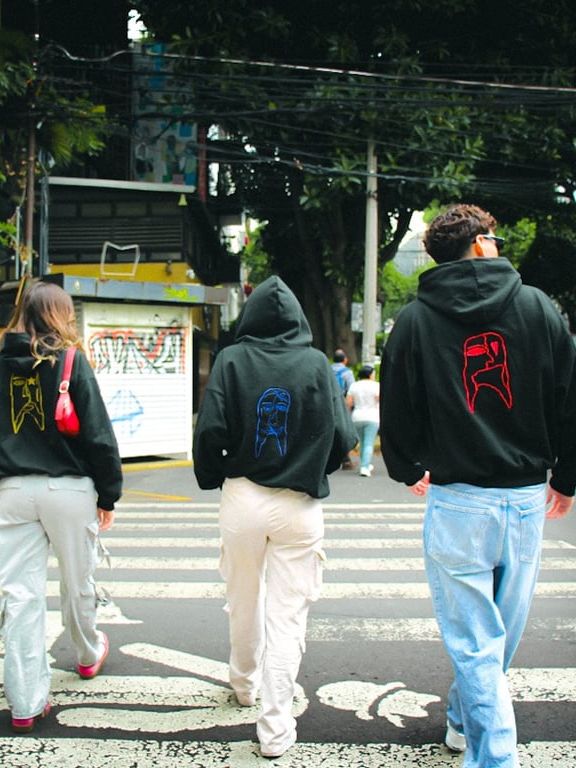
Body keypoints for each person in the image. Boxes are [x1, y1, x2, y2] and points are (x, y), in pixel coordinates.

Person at [379, 204, 576, 768]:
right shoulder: (537, 308)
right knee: (494, 638)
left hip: (457, 501)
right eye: (494, 237)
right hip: (525, 499)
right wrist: (568, 477)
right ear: (478, 246)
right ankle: (493, 756)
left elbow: (397, 406)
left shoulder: (415, 320)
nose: (498, 244)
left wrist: (408, 465)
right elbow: (573, 400)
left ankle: (464, 725)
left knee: (478, 641)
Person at [192, 276, 357, 759]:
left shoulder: (232, 360)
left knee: (243, 598)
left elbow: (210, 430)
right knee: (287, 617)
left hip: (243, 496)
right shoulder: (316, 363)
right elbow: (342, 436)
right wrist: (312, 467)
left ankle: (243, 684)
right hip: (299, 504)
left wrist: (215, 476)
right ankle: (276, 730)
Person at [0, 281, 122, 734]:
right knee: (78, 581)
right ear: (62, 315)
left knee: (19, 596)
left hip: (14, 490)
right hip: (69, 489)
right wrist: (108, 494)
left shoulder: (0, 364)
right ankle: (86, 653)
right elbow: (98, 432)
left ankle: (25, 701)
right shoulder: (71, 360)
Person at [346, 364, 380, 477]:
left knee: (363, 442)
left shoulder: (354, 386)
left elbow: (349, 402)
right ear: (370, 374)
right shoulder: (376, 385)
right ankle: (365, 467)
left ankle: (365, 463)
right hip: (372, 416)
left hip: (357, 416)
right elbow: (379, 399)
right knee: (369, 443)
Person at [332, 349, 356, 469]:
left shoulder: (327, 369)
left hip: (328, 403)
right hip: (342, 404)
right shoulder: (347, 373)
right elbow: (351, 390)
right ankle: (345, 459)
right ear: (345, 359)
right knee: (343, 430)